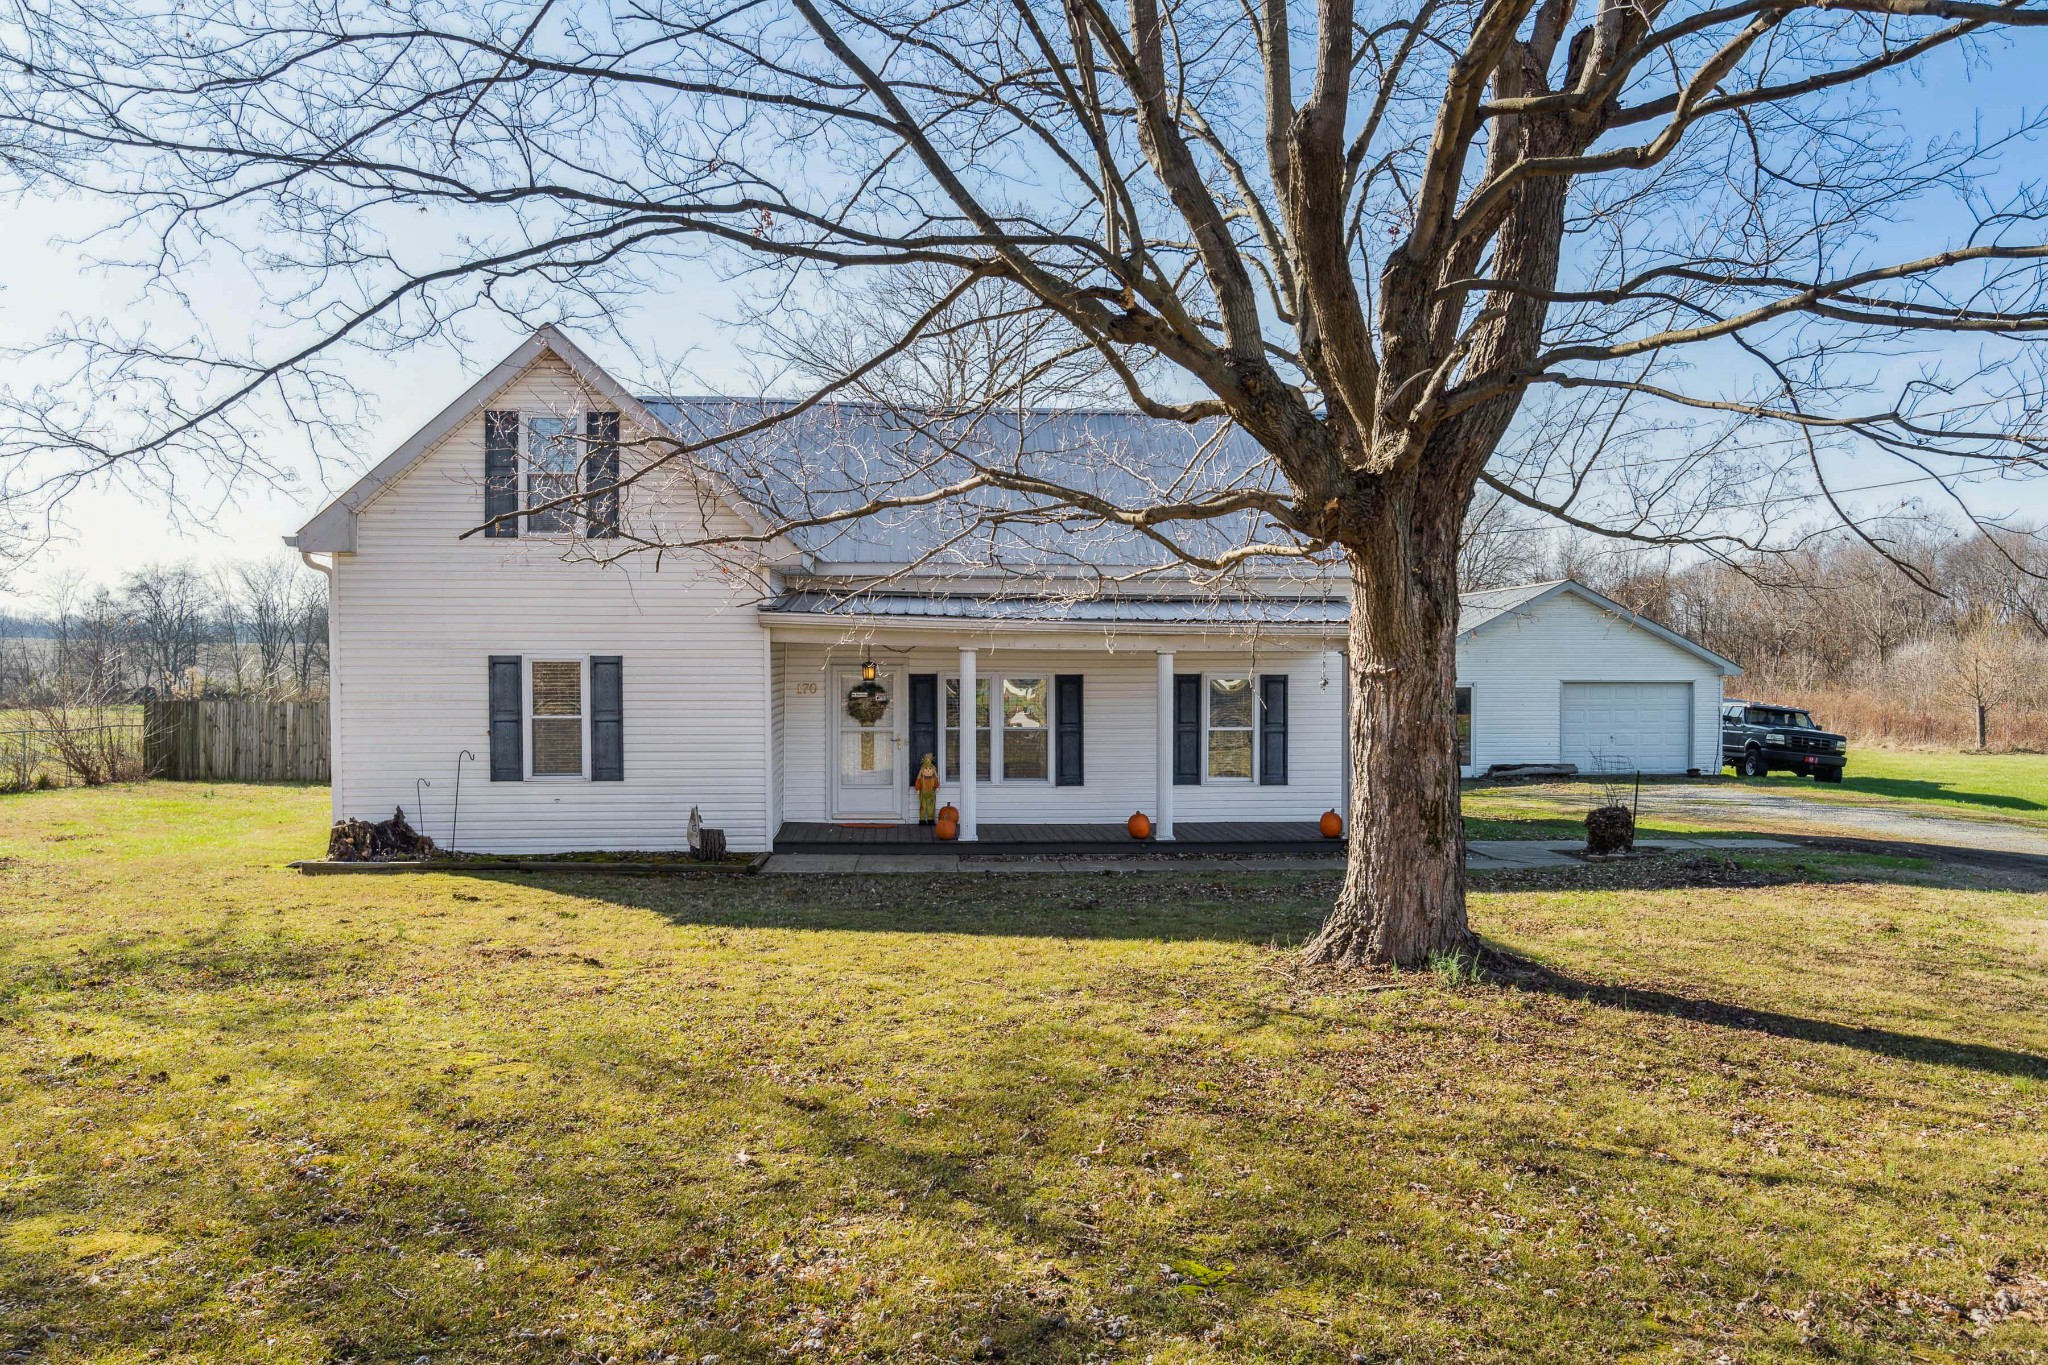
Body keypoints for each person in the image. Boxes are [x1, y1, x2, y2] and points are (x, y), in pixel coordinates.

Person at [913, 752, 941, 825]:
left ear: (933, 771)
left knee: (931, 806)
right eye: (926, 768)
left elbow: (936, 782)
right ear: (922, 771)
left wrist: (937, 787)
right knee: (923, 806)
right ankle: (922, 820)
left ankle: (930, 819)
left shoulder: (933, 778)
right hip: (923, 794)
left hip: (931, 794)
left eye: (929, 769)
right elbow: (918, 782)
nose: (928, 770)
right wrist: (918, 789)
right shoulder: (921, 778)